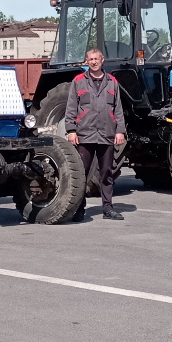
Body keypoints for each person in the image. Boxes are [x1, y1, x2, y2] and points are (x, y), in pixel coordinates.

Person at [65, 48, 127, 221]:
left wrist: (120, 130)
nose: (93, 62)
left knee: (107, 172)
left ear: (102, 60)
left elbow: (118, 109)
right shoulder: (78, 81)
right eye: (90, 59)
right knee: (82, 173)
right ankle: (79, 209)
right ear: (87, 61)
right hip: (84, 134)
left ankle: (108, 208)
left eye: (96, 59)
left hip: (107, 134)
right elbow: (71, 108)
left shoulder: (112, 82)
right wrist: (71, 130)